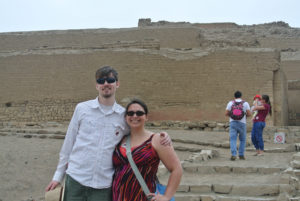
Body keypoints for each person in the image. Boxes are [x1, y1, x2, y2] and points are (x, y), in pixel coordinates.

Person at [45, 66, 171, 201]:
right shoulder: (82, 109)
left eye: (110, 80)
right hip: (76, 180)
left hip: (103, 186)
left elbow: (138, 134)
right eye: (101, 81)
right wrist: (58, 176)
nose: (106, 84)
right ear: (96, 85)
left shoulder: (123, 116)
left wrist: (160, 136)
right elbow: (68, 144)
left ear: (117, 84)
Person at [112, 99, 182, 201]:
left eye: (139, 113)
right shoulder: (120, 139)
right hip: (118, 197)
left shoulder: (157, 140)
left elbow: (177, 169)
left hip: (143, 197)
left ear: (146, 117)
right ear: (126, 117)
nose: (134, 116)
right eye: (130, 113)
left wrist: (167, 196)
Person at [225, 91, 251, 161]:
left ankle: (233, 154)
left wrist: (232, 115)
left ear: (234, 96)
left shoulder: (230, 103)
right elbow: (249, 114)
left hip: (233, 123)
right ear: (241, 96)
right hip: (242, 123)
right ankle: (241, 155)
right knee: (242, 140)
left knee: (233, 139)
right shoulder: (245, 103)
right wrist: (244, 115)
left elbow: (226, 113)